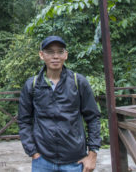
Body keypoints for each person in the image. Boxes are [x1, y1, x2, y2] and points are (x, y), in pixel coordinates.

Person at [18, 36, 101, 172]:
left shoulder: (78, 82)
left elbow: (93, 118)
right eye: (50, 52)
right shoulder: (32, 85)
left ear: (66, 55)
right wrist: (33, 152)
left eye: (60, 52)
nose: (55, 56)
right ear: (41, 55)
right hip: (42, 160)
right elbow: (23, 120)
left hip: (75, 161)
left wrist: (92, 155)